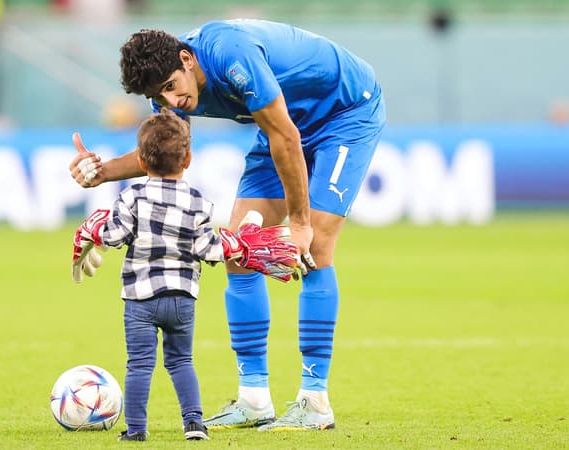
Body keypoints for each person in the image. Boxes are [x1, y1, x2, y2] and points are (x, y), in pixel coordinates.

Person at [69, 19, 386, 432]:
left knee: (313, 249)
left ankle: (315, 400)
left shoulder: (230, 53)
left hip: (344, 112)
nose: (171, 99)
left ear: (187, 58)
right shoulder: (170, 89)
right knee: (241, 254)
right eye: (157, 95)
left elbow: (285, 137)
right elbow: (164, 150)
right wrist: (103, 171)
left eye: (171, 85)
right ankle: (254, 399)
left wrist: (301, 222)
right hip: (283, 125)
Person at [71, 108, 300, 442]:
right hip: (182, 299)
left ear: (143, 163)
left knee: (139, 365)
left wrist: (93, 229)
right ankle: (194, 424)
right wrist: (239, 246)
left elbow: (114, 236)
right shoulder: (197, 202)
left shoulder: (132, 197)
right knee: (181, 362)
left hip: (140, 299)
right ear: (188, 159)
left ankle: (136, 430)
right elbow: (209, 249)